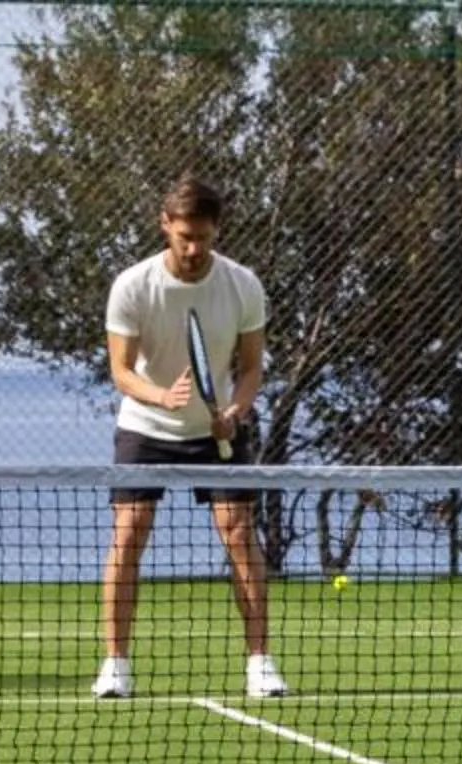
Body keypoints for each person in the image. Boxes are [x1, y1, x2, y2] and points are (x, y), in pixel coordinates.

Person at [95, 175, 286, 700]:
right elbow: (120, 370)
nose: (195, 247)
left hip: (215, 429)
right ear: (166, 227)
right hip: (145, 424)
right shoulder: (133, 285)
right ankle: (115, 665)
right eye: (185, 236)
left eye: (203, 236)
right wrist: (160, 397)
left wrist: (235, 412)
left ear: (216, 229)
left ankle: (260, 664)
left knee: (239, 534)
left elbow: (250, 370)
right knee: (129, 533)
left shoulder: (243, 285)